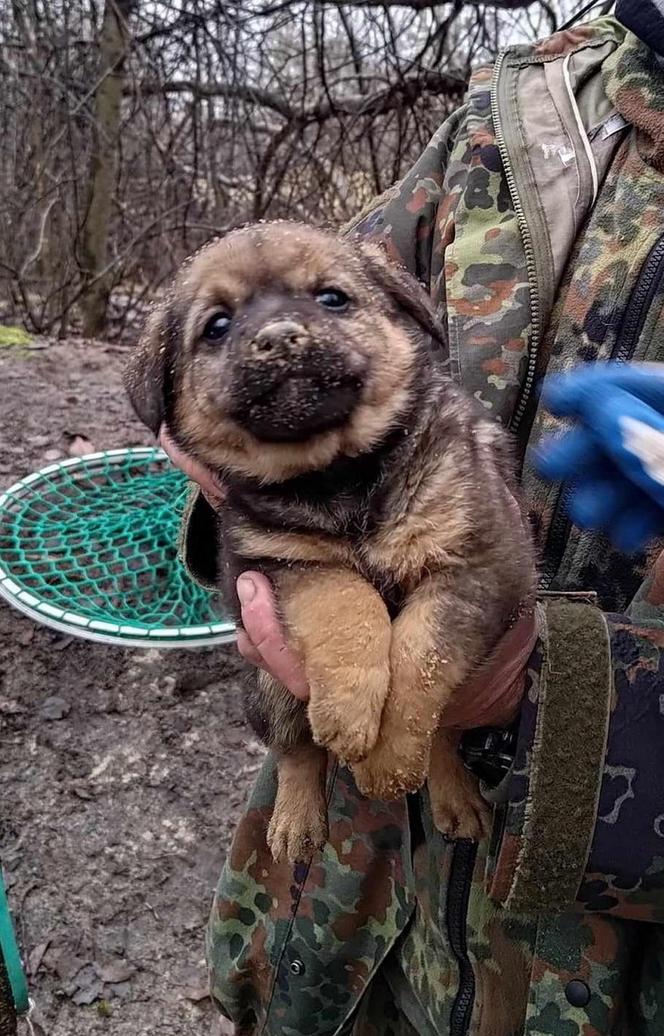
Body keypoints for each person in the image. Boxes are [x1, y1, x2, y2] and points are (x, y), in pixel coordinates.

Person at [161, 4, 664, 1033]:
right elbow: (312, 293)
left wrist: (552, 701)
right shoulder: (516, 102)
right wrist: (259, 507)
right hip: (357, 907)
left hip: (593, 968)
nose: (282, 333)